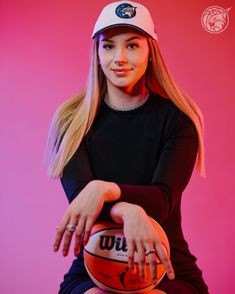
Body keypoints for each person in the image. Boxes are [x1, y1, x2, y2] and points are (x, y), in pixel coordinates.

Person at [45, 1, 209, 293]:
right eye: (108, 47)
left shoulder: (178, 121)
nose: (119, 57)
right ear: (96, 54)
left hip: (166, 266)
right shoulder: (72, 121)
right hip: (94, 267)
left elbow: (163, 199)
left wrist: (105, 190)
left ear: (150, 54)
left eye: (132, 46)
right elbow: (85, 206)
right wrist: (130, 212)